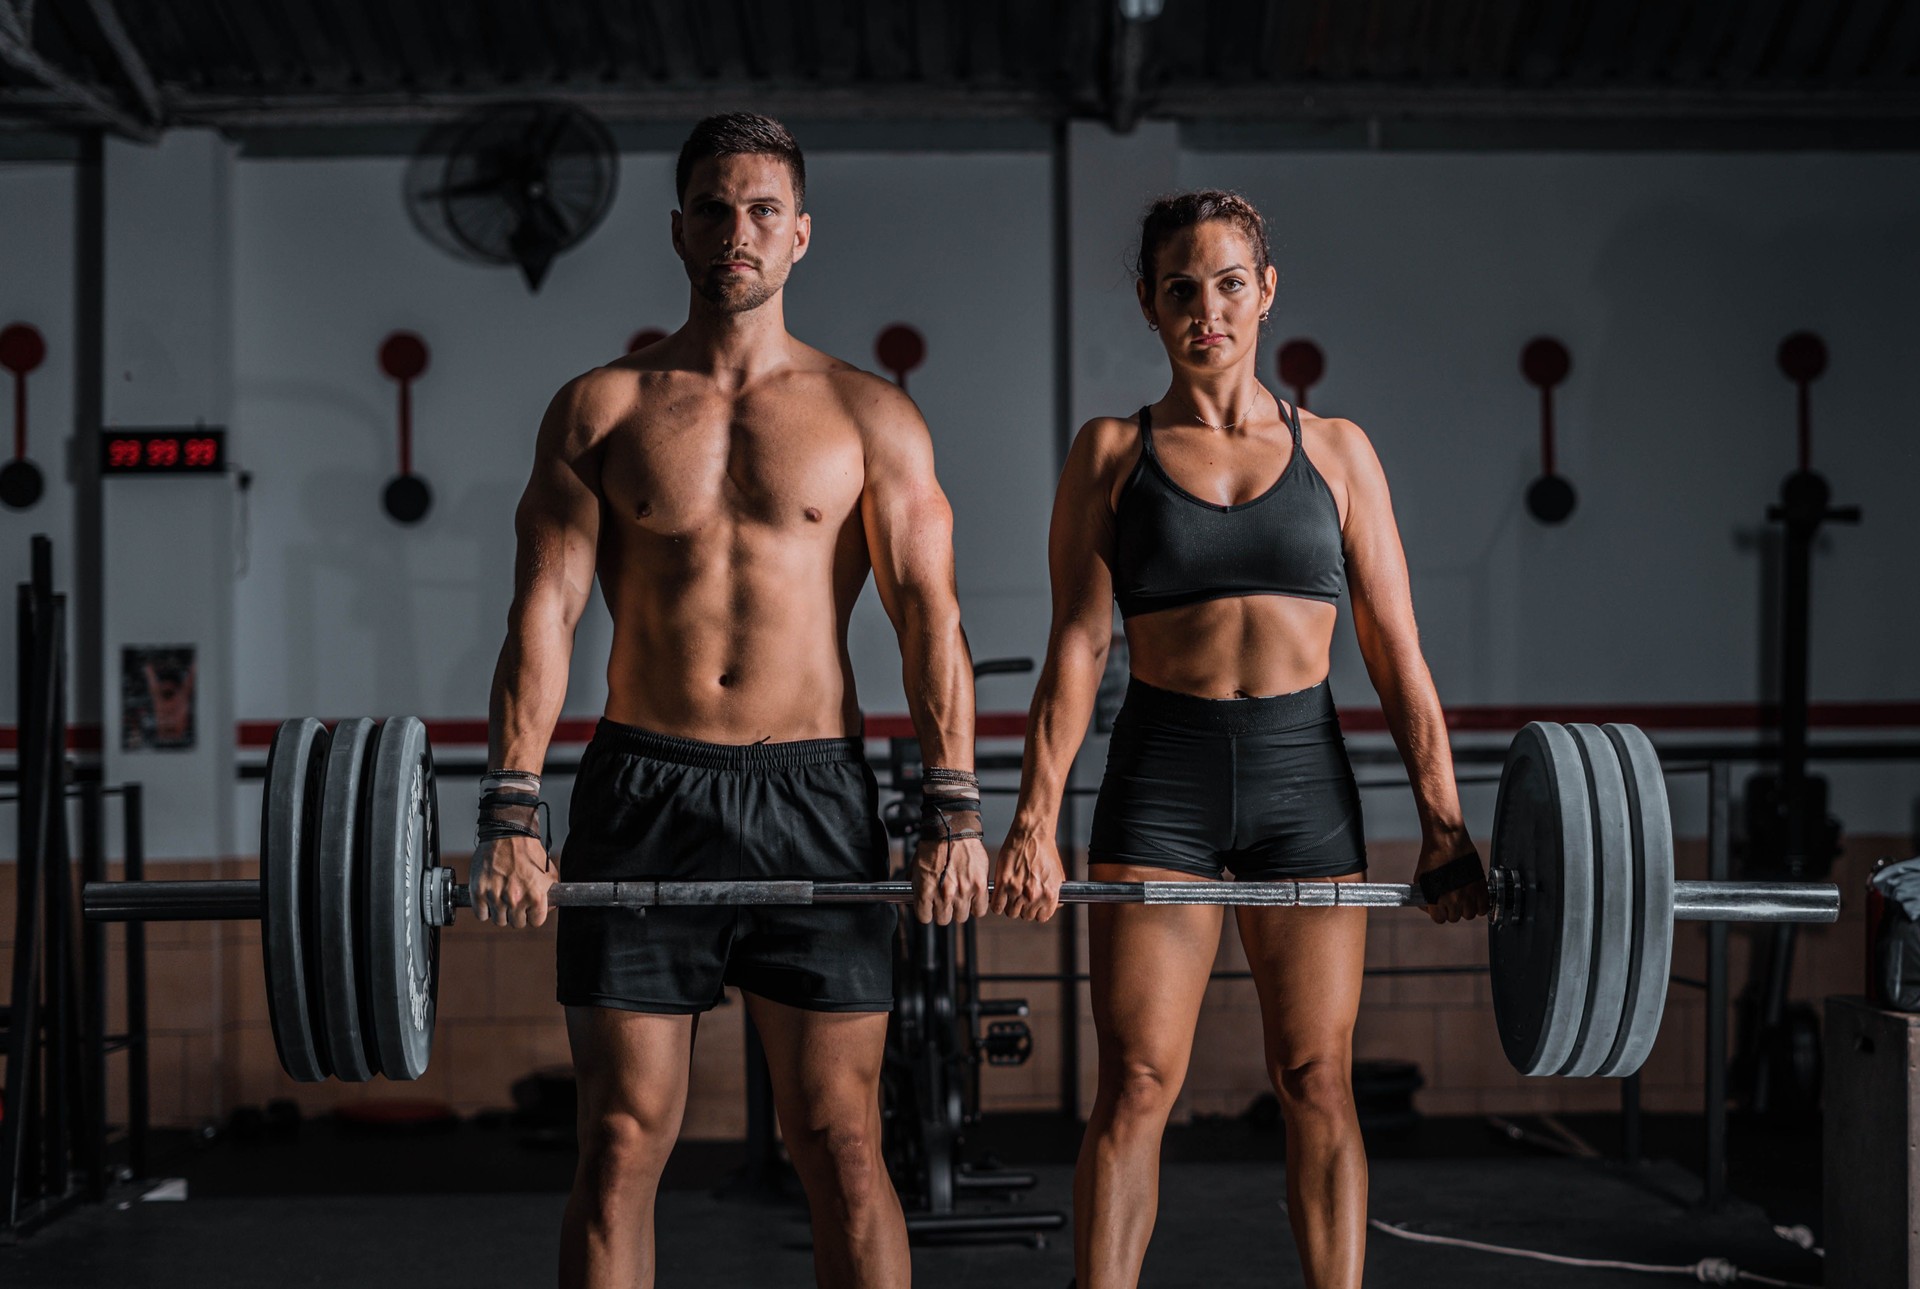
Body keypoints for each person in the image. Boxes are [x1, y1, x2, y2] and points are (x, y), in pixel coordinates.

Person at [467, 112, 990, 1289]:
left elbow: (931, 622)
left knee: (845, 1143)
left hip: (815, 786)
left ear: (800, 235)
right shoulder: (600, 407)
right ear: (678, 229)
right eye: (713, 206)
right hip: (644, 783)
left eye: (761, 210)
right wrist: (510, 809)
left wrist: (955, 807)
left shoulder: (871, 417)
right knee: (617, 1144)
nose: (735, 230)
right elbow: (541, 617)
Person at [992, 190, 1488, 1289]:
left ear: (1266, 291)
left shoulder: (1342, 454)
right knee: (1135, 1081)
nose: (1205, 307)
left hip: (1301, 781)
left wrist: (1446, 822)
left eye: (1227, 283)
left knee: (1316, 1076)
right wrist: (1032, 822)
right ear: (1149, 305)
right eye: (1180, 288)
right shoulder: (1112, 451)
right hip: (1159, 779)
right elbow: (1076, 646)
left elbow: (1397, 654)